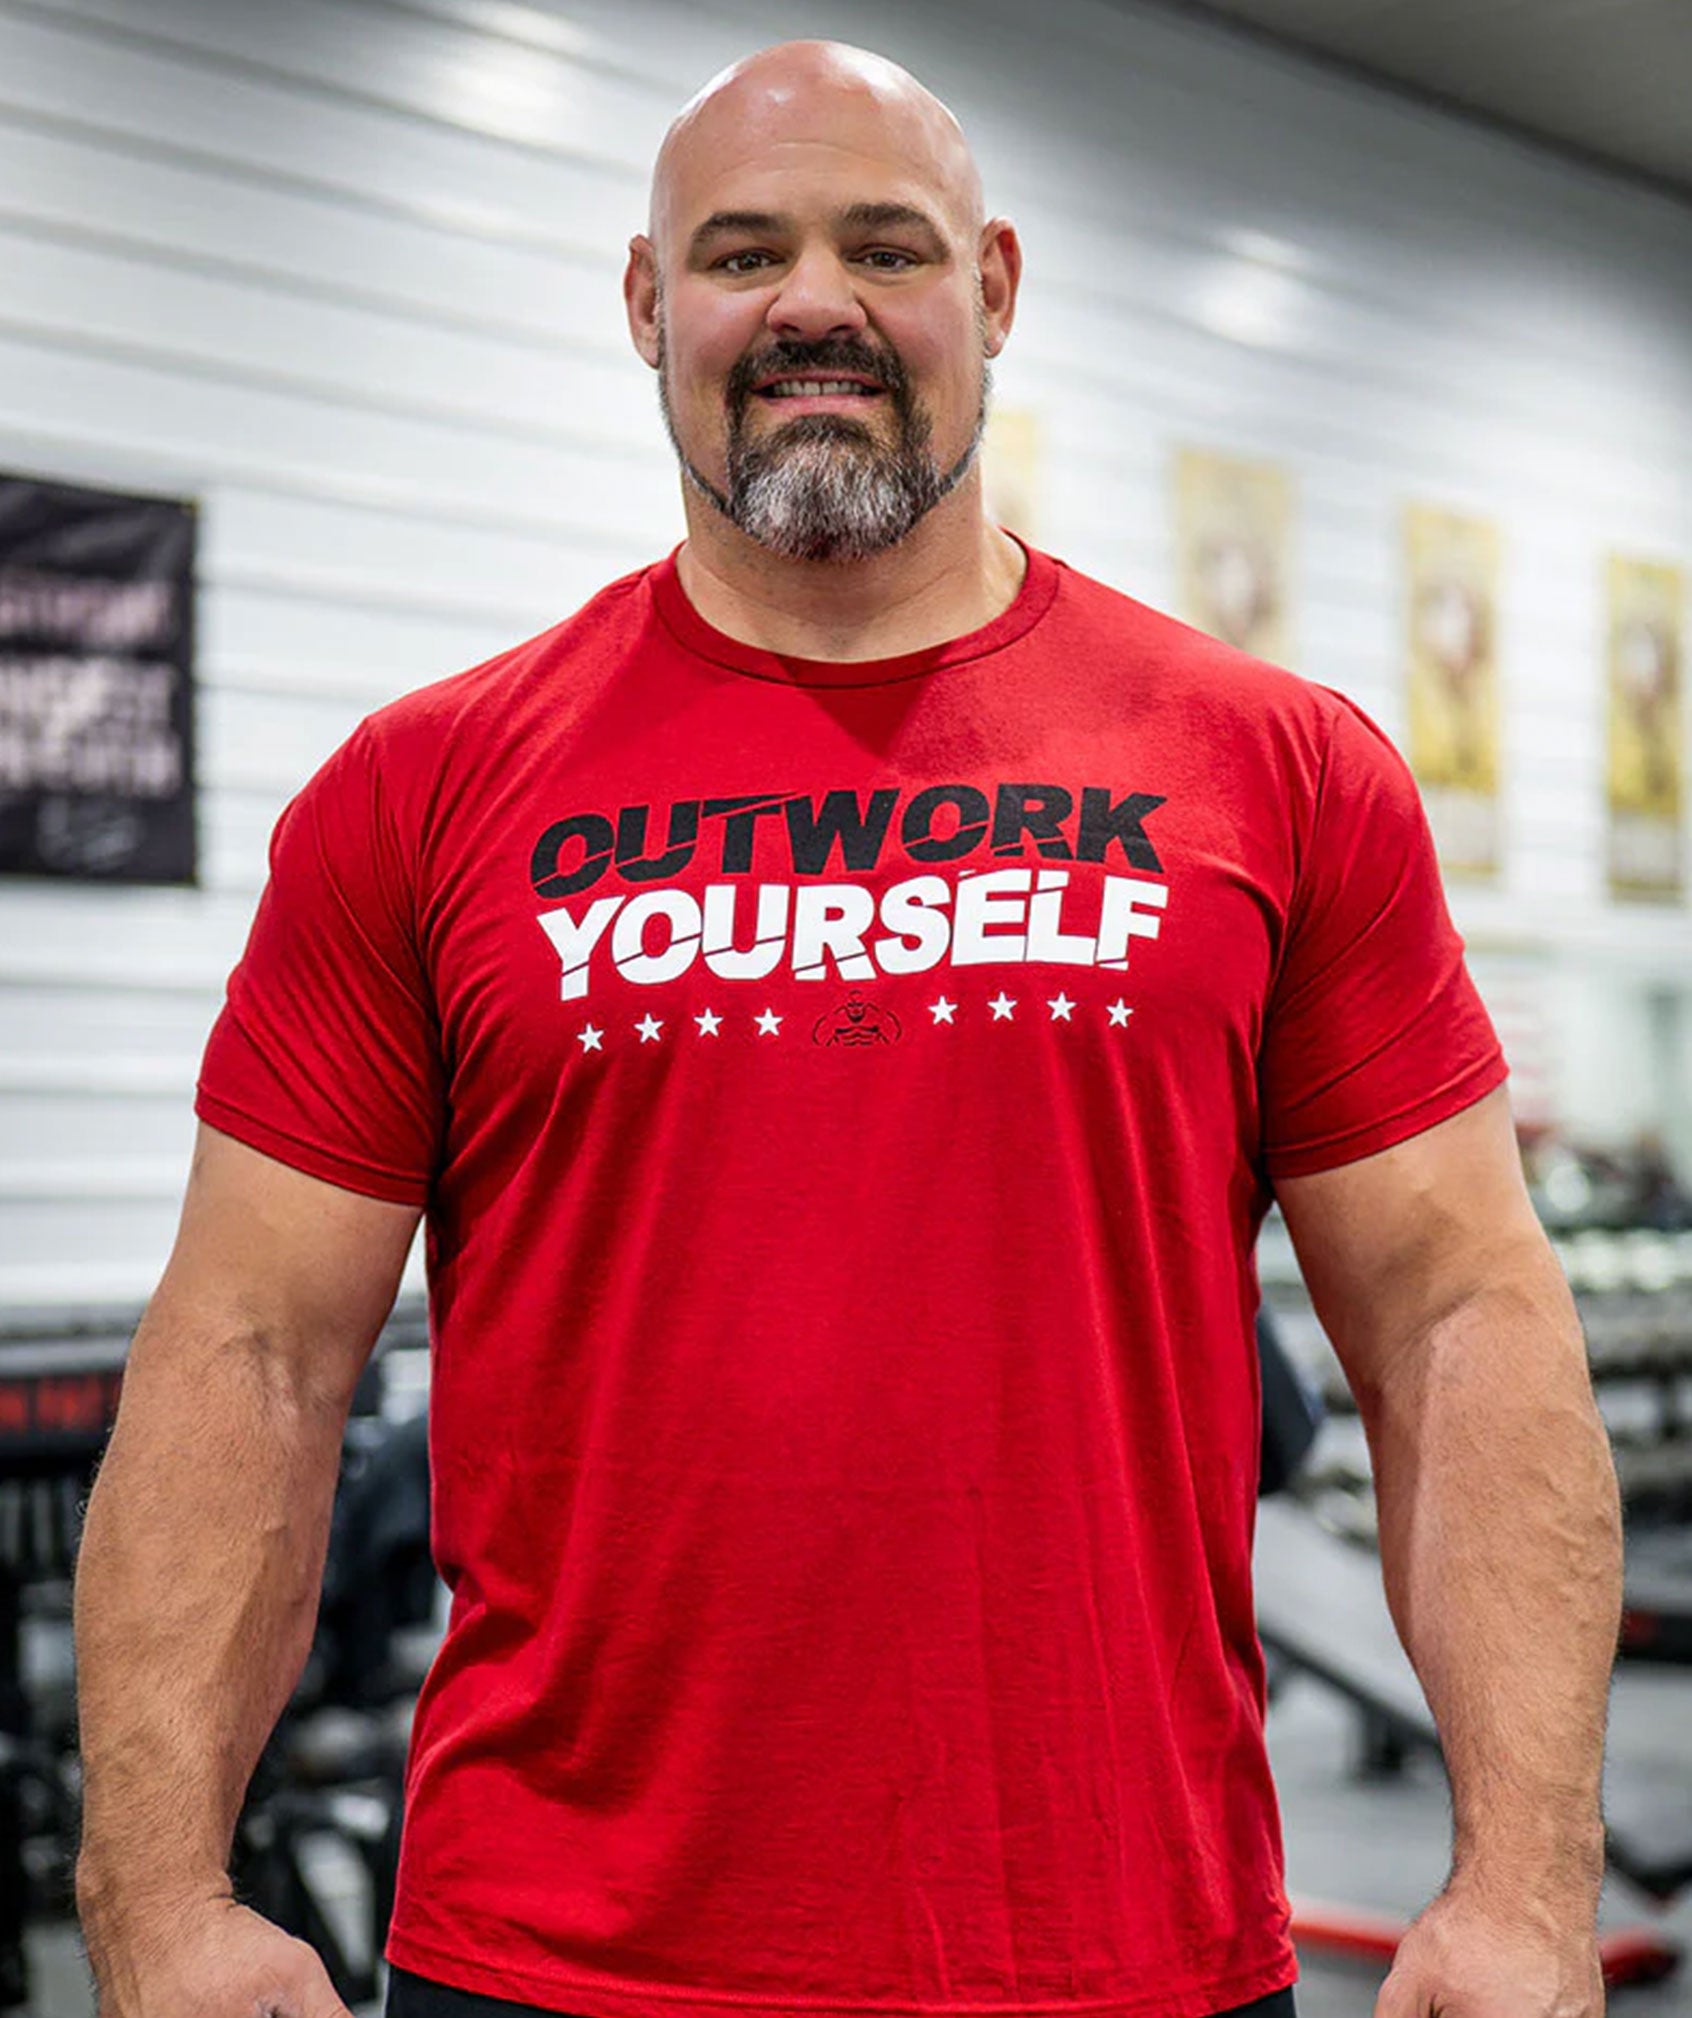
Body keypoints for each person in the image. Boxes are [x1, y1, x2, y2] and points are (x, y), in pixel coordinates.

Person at [71, 38, 1622, 2018]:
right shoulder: (423, 791)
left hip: (1121, 1959)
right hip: (555, 1963)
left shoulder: (1280, 772)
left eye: (884, 246)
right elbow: (254, 1357)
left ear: (994, 289)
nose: (815, 302)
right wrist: (155, 1894)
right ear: (649, 306)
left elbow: (1459, 1322)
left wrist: (1527, 1882)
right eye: (744, 250)